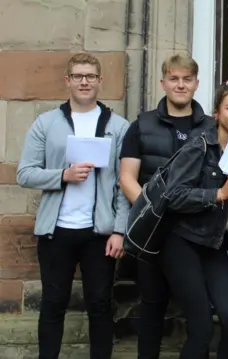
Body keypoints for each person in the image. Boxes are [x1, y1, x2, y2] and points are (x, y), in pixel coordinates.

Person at [16, 53, 130, 359]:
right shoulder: (47, 123)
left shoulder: (118, 126)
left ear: (100, 81)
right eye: (78, 76)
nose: (84, 82)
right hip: (57, 231)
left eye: (90, 76)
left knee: (100, 305)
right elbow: (25, 172)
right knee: (53, 303)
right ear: (67, 80)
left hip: (100, 233)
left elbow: (124, 184)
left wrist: (120, 230)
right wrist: (63, 175)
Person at [119, 53, 213, 359]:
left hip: (195, 234)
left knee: (198, 309)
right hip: (152, 235)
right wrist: (152, 213)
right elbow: (128, 179)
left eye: (187, 79)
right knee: (152, 305)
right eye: (174, 79)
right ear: (163, 83)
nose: (180, 85)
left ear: (196, 84)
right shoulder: (142, 125)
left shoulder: (211, 128)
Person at [160, 81, 228, 358]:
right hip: (182, 242)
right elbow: (172, 196)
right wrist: (220, 193)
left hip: (214, 245)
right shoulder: (199, 146)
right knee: (201, 329)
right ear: (217, 113)